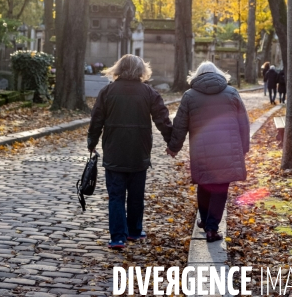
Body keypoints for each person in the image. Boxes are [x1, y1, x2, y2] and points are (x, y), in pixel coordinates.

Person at [87, 54, 172, 249]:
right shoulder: (149, 93)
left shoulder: (107, 91)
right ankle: (134, 230)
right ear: (141, 70)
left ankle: (117, 236)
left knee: (116, 195)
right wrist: (172, 142)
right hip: (138, 150)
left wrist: (92, 141)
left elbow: (96, 119)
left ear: (118, 68)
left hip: (114, 150)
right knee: (136, 194)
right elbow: (162, 120)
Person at [166, 61, 250, 243]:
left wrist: (173, 147)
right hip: (228, 150)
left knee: (204, 185)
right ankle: (212, 228)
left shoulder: (189, 96)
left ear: (196, 75)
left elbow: (180, 125)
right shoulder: (231, 93)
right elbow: (244, 123)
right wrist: (244, 147)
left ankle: (205, 221)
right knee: (220, 189)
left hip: (201, 151)